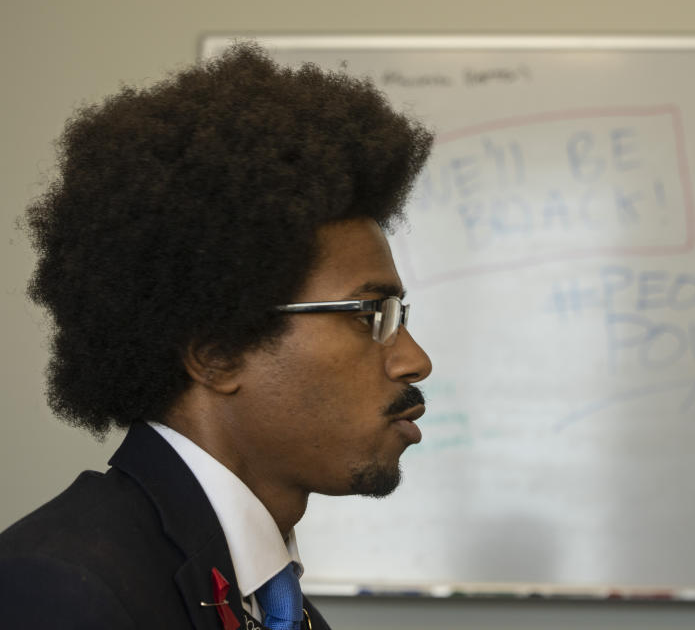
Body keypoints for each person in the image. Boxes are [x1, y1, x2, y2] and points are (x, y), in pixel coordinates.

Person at [0, 42, 434, 630]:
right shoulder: (65, 588)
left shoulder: (274, 605)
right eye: (370, 315)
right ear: (217, 353)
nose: (415, 361)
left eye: (399, 316)